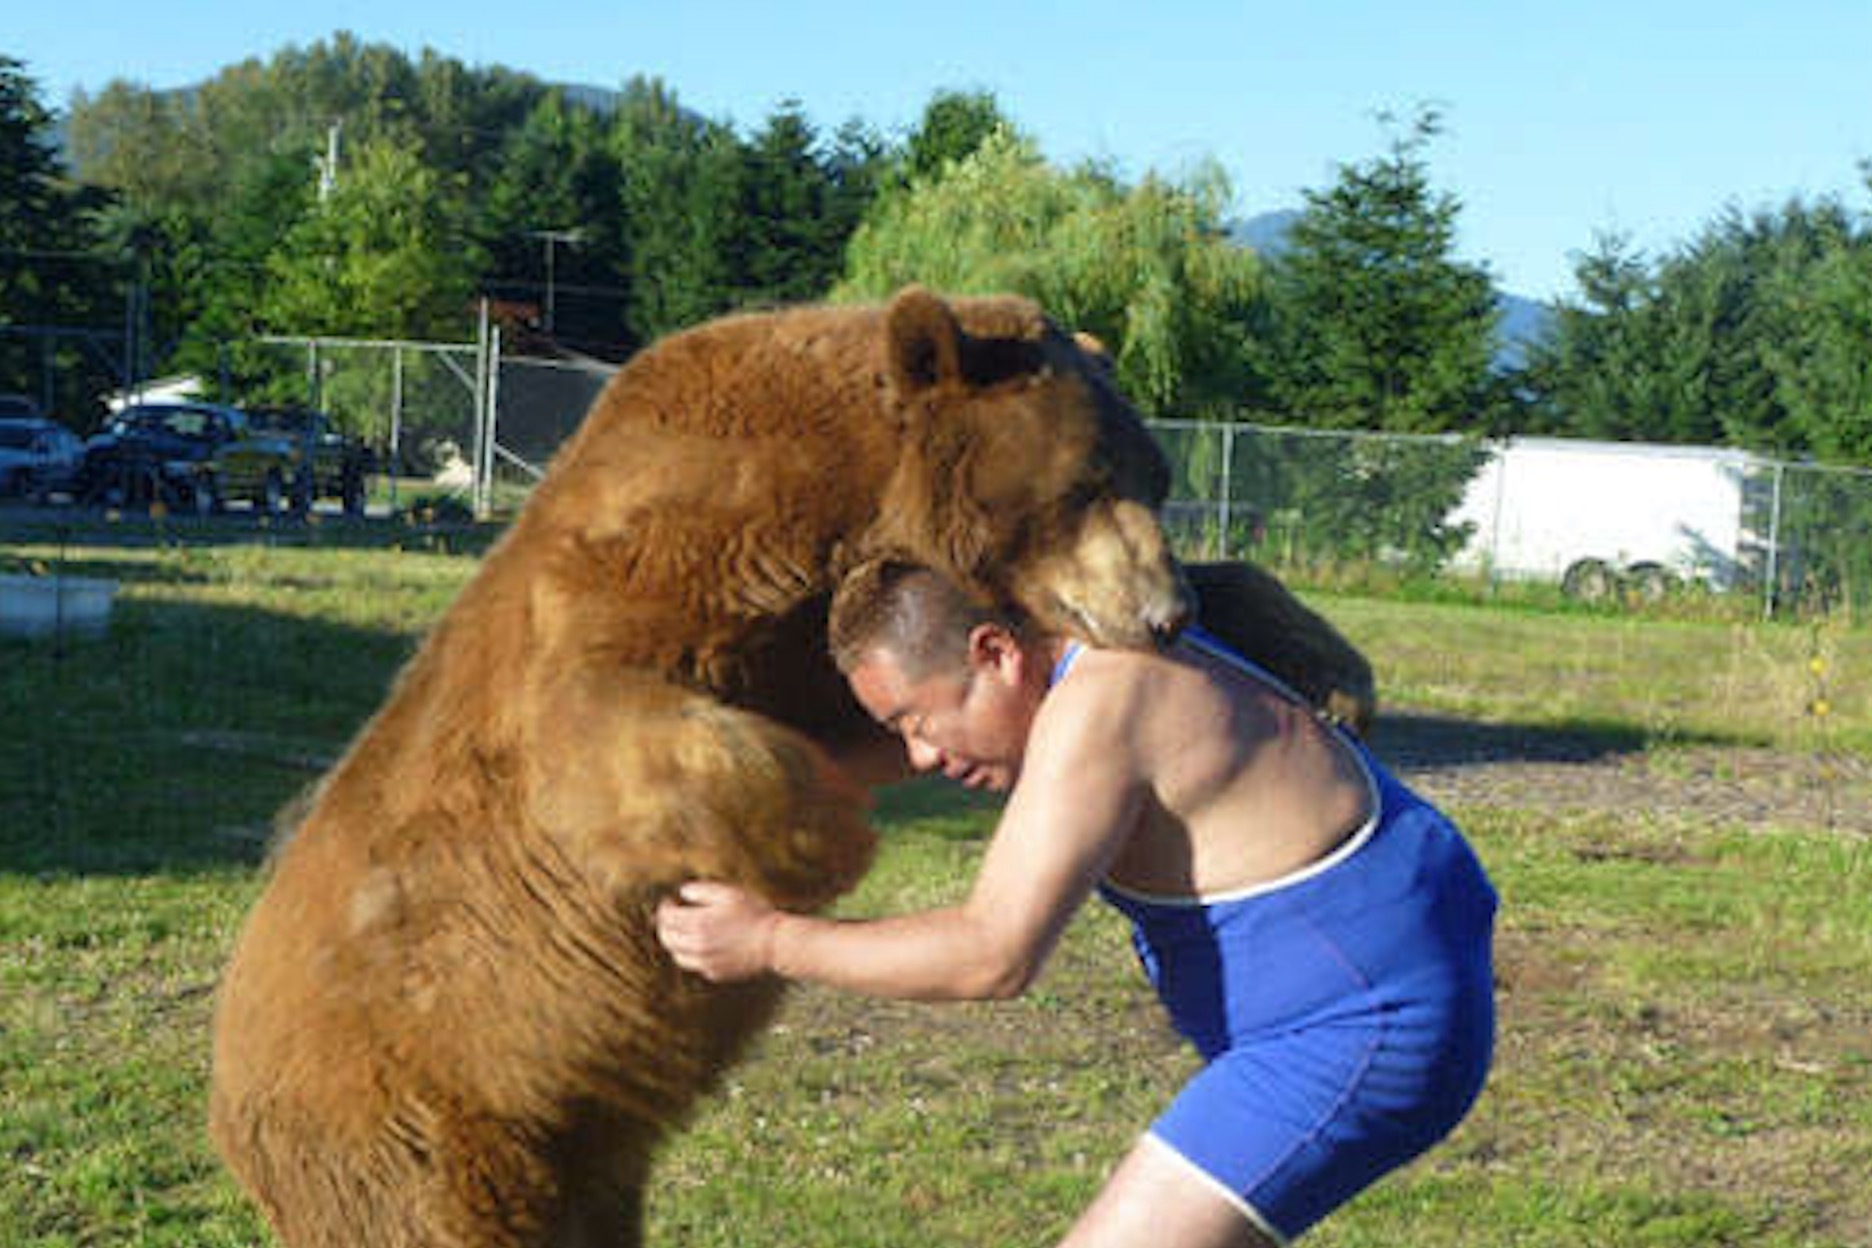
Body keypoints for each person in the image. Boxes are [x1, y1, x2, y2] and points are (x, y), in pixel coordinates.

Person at [656, 561, 1497, 1247]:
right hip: (1343, 1000)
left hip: (1355, 1028)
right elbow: (879, 754)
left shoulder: (1105, 702)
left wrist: (769, 941)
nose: (917, 753)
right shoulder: (1080, 665)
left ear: (995, 651)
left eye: (916, 719)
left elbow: (992, 954)